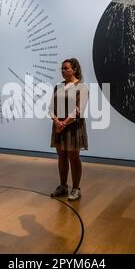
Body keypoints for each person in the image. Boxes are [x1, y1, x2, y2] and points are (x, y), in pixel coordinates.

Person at [49, 58, 88, 201]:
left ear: (75, 69)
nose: (63, 71)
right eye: (62, 68)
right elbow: (50, 107)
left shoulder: (81, 87)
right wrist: (56, 121)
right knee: (62, 157)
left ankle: (76, 189)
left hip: (72, 128)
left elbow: (79, 110)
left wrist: (64, 123)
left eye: (66, 68)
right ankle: (63, 186)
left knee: (73, 157)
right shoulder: (58, 86)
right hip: (59, 127)